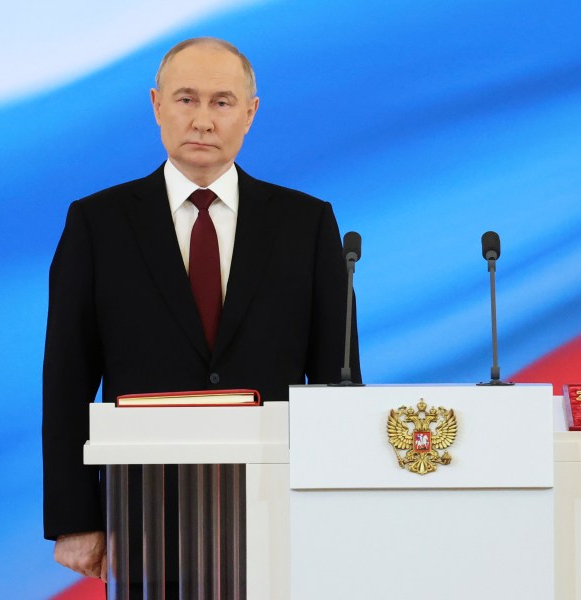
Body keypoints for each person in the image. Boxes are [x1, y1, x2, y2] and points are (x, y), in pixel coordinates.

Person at [42, 37, 360, 590]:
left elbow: (337, 381)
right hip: (141, 505)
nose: (203, 121)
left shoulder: (306, 224)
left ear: (250, 112)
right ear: (156, 105)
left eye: (222, 101)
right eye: (186, 99)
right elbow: (66, 381)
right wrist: (75, 519)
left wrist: (338, 498)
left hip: (275, 502)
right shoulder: (98, 224)